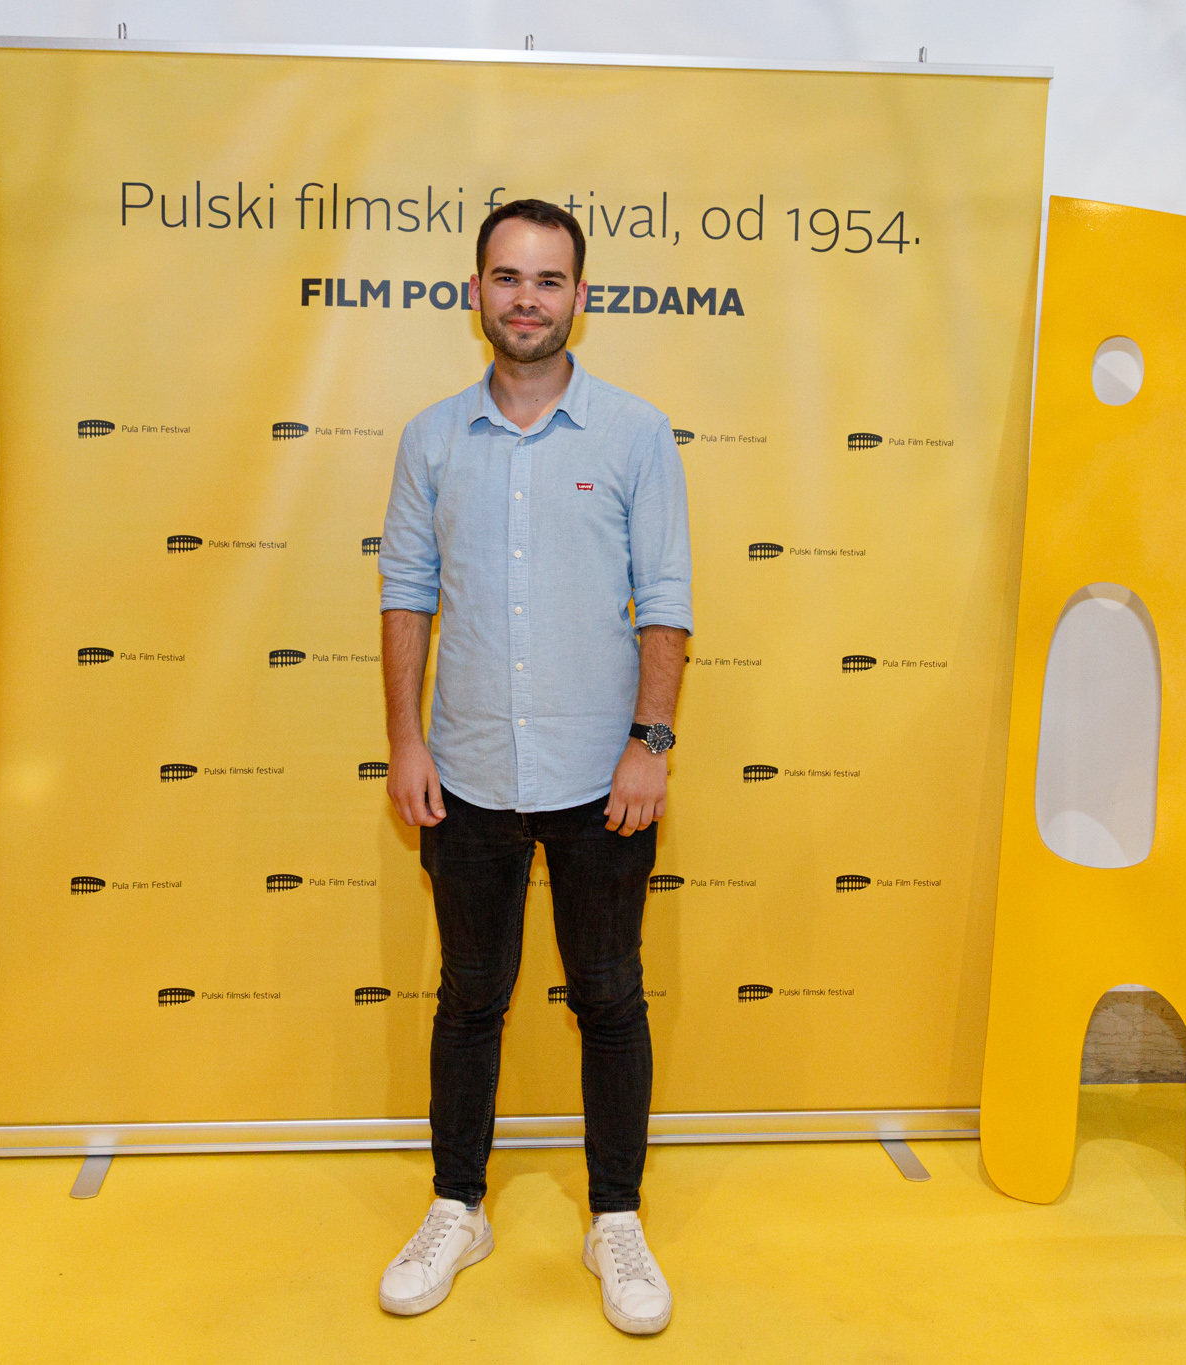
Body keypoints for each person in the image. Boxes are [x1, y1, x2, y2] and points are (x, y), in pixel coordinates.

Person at [373, 199, 693, 1336]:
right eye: (507, 277)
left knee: (609, 997)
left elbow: (665, 600)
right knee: (471, 997)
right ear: (475, 292)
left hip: (603, 780)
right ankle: (457, 1206)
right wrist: (407, 741)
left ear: (579, 297)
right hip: (464, 774)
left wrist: (650, 744)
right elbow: (406, 594)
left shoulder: (635, 434)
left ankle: (616, 1217)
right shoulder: (430, 439)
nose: (526, 298)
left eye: (548, 280)